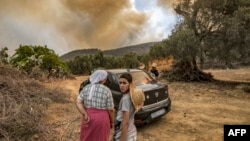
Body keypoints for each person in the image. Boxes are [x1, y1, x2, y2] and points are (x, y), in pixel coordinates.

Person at [76, 70, 115, 141]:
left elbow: (78, 102)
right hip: (102, 119)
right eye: (105, 77)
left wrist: (84, 113)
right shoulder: (107, 90)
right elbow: (111, 109)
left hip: (88, 118)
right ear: (102, 79)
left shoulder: (86, 88)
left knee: (87, 138)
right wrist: (112, 121)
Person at [113, 73, 145, 141]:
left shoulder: (125, 99)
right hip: (132, 132)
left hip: (125, 135)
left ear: (130, 84)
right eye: (120, 83)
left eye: (124, 83)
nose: (121, 85)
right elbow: (142, 103)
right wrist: (135, 110)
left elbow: (125, 123)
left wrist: (122, 139)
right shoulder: (132, 96)